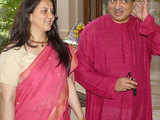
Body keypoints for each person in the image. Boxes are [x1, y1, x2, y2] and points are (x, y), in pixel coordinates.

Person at [75, 0, 160, 119]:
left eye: (124, 1)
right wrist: (112, 84)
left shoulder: (143, 27)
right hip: (104, 108)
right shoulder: (91, 31)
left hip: (136, 108)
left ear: (134, 3)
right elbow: (80, 71)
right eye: (113, 1)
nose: (117, 6)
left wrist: (147, 21)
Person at [0, 0, 85, 120]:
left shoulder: (61, 49)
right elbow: (7, 100)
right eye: (44, 11)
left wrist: (81, 116)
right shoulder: (13, 54)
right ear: (29, 15)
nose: (51, 16)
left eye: (52, 11)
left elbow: (67, 84)